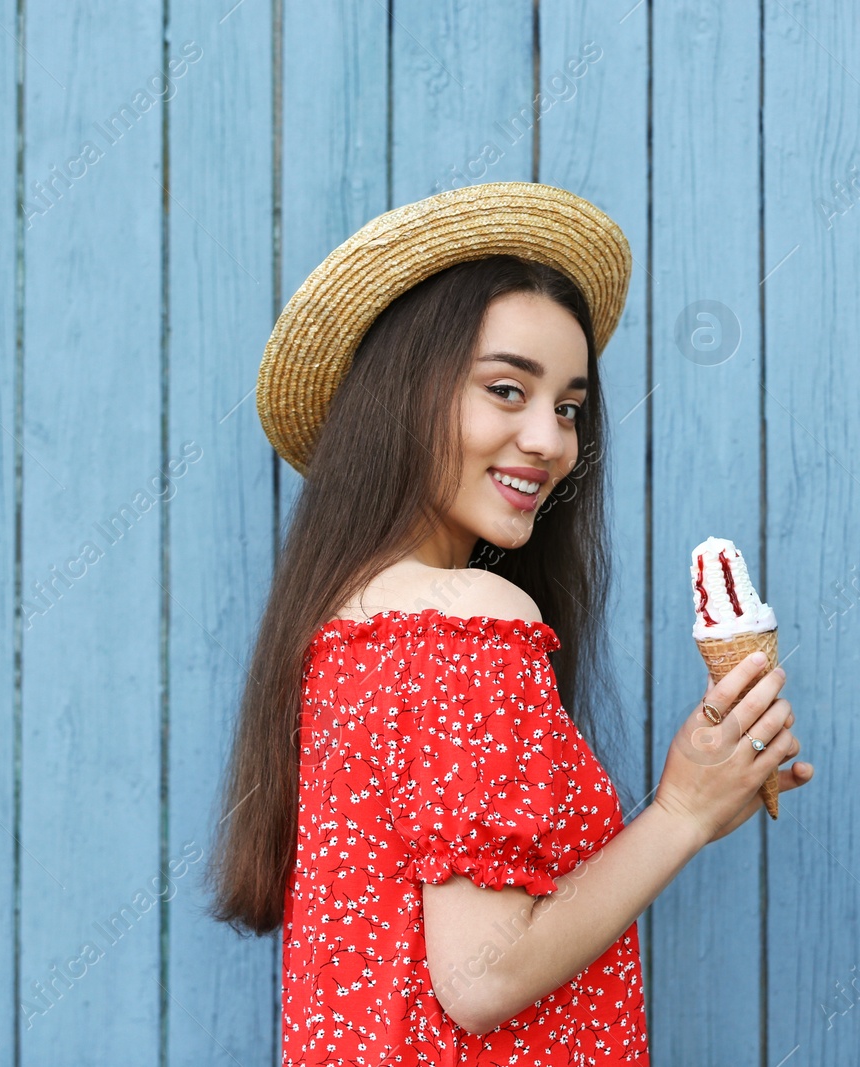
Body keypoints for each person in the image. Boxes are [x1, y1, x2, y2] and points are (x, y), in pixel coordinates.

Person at [205, 182, 814, 1064]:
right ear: (402, 396)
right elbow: (483, 978)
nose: (550, 440)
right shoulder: (467, 620)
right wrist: (682, 811)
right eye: (506, 389)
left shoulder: (350, 625)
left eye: (567, 407)